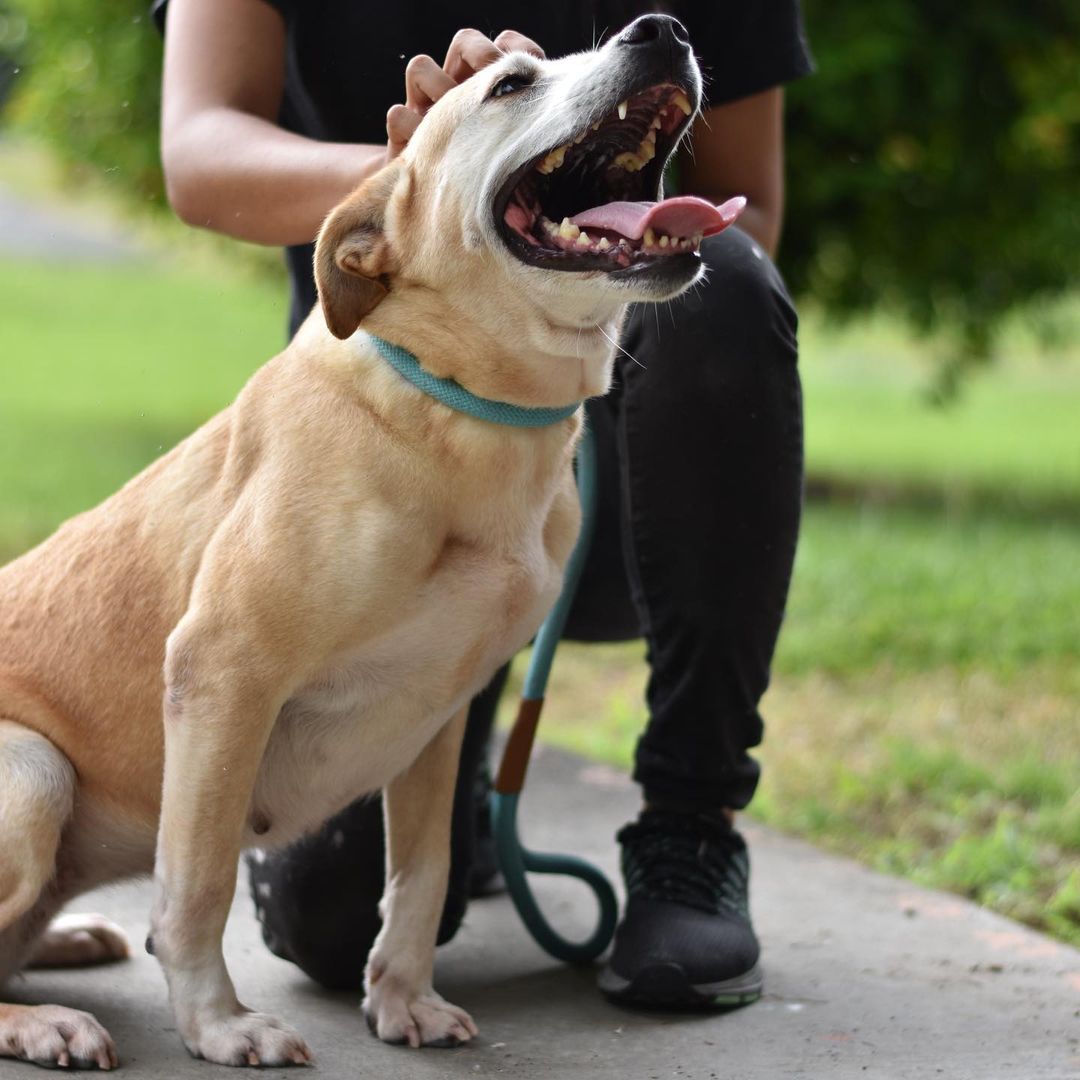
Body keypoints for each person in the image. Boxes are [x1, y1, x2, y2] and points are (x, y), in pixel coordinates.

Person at [155, 0, 811, 1009]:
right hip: (374, 456)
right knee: (332, 932)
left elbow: (748, 211)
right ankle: (444, 787)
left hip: (618, 476)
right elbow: (198, 156)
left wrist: (576, 232)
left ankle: (691, 823)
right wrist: (439, 169)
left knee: (727, 283)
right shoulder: (402, 203)